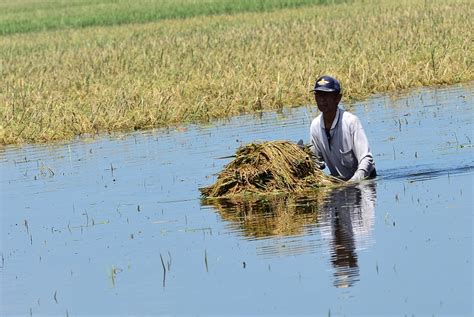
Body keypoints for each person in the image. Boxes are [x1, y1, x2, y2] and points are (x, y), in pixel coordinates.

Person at [309, 75, 376, 182]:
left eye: (326, 95)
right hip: (341, 182)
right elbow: (317, 162)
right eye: (318, 95)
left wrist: (353, 182)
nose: (321, 100)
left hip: (365, 180)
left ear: (338, 98)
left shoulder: (351, 122)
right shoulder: (315, 125)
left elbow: (366, 159)